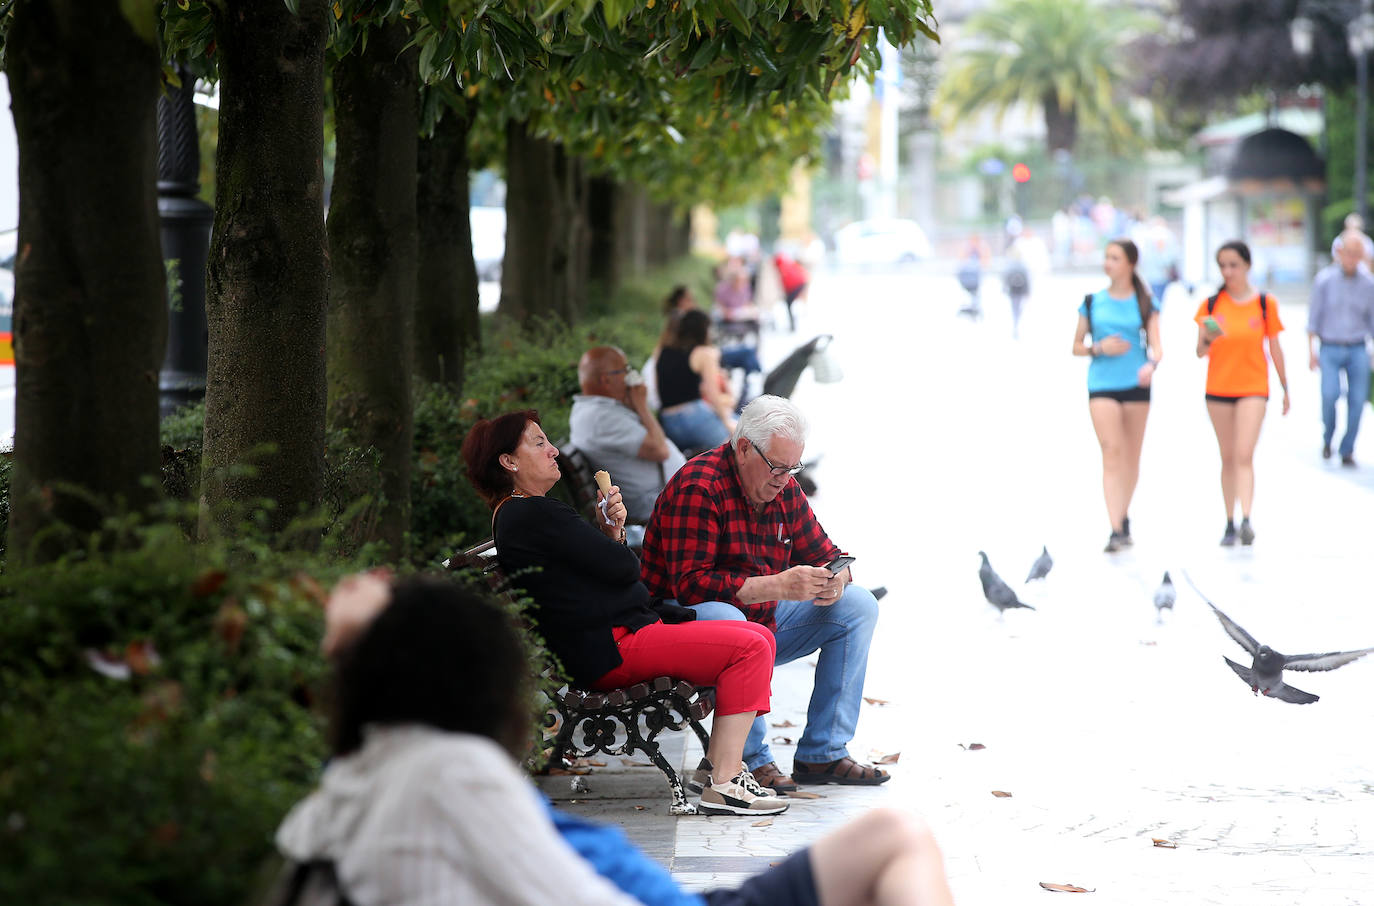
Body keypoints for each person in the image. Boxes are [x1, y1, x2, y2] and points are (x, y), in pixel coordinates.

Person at [276, 572, 957, 906]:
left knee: (895, 838)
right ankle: (728, 775)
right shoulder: (448, 774)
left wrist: (363, 641)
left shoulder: (366, 771)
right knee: (896, 837)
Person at [460, 411, 784, 816]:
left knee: (760, 638)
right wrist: (615, 537)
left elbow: (606, 568)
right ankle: (724, 783)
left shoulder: (525, 515)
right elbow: (626, 568)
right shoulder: (535, 514)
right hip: (613, 647)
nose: (553, 449)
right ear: (509, 461)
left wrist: (610, 534)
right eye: (539, 442)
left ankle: (719, 770)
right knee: (750, 647)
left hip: (610, 640)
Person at [640, 395, 887, 794]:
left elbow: (829, 555)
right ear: (742, 448)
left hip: (758, 623)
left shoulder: (783, 487)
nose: (785, 478)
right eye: (777, 466)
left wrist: (836, 579)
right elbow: (689, 586)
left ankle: (822, 752)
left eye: (793, 468)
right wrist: (778, 585)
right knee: (733, 622)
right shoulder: (699, 486)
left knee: (857, 606)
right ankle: (748, 760)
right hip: (682, 630)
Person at [1195, 240, 1290, 546]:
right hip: (1218, 388)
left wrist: (1285, 386)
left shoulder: (1264, 303)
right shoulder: (1211, 305)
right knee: (1227, 455)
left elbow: (1275, 346)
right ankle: (1229, 520)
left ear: (1247, 265)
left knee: (1243, 453)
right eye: (1222, 265)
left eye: (1234, 264)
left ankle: (1247, 517)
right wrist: (1208, 338)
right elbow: (1199, 351)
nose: (1228, 271)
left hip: (1253, 387)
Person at [1072, 238, 1162, 552]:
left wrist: (1151, 365)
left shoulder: (1145, 301)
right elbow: (1076, 346)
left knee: (1131, 456)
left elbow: (1157, 347)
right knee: (1111, 451)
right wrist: (1099, 348)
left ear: (1130, 264)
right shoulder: (1092, 301)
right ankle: (1115, 527)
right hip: (1102, 385)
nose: (1108, 263)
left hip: (1136, 384)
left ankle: (1123, 515)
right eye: (1106, 257)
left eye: (1114, 258)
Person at [570, 345, 687, 524]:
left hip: (665, 491)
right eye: (624, 371)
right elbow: (660, 450)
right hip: (655, 502)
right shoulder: (600, 418)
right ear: (606, 380)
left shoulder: (599, 410)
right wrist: (641, 406)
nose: (628, 378)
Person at [1308, 229, 1374, 467]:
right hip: (1330, 347)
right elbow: (1313, 318)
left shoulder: (1368, 283)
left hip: (1357, 348)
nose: (1352, 259)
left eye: (1358, 254)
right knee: (1329, 394)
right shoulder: (1324, 280)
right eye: (1349, 253)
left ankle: (1347, 448)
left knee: (1357, 401)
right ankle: (1328, 437)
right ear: (1339, 252)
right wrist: (1311, 351)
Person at [656, 309, 736, 452]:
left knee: (739, 422)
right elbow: (713, 394)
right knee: (736, 442)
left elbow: (659, 388)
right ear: (704, 329)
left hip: (667, 421)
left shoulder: (663, 350)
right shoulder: (703, 353)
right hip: (692, 417)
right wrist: (726, 423)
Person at [773, 251, 809, 332]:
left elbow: (786, 282)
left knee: (789, 303)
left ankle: (793, 325)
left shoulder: (783, 267)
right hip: (801, 282)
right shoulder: (788, 264)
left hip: (798, 284)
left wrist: (787, 293)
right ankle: (792, 324)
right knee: (789, 303)